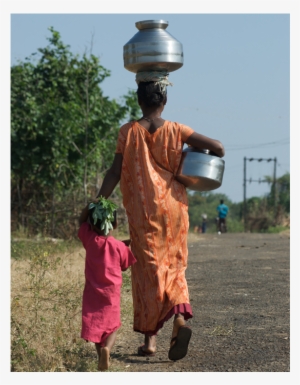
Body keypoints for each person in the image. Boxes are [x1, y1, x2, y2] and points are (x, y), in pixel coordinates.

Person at [96, 70, 225, 361]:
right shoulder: (178, 130)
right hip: (174, 209)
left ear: (138, 100)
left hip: (143, 212)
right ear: (164, 99)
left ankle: (150, 341)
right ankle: (179, 321)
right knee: (174, 267)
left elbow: (115, 172)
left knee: (148, 271)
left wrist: (98, 203)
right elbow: (218, 148)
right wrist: (192, 150)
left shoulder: (127, 132)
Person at [78, 198, 136, 371]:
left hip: (92, 293)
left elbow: (81, 222)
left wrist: (88, 207)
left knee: (95, 325)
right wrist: (125, 246)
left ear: (92, 223)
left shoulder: (90, 241)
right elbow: (125, 266)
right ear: (115, 223)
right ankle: (107, 349)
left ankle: (100, 354)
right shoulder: (118, 246)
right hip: (112, 293)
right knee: (112, 325)